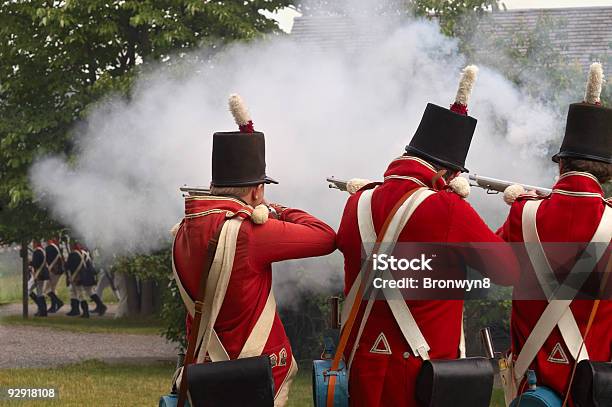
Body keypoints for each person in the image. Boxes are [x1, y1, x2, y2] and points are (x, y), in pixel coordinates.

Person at [336, 66, 520, 406]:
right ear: (448, 172)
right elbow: (507, 270)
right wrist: (518, 213)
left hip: (363, 373)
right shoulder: (447, 208)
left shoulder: (356, 203)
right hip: (424, 379)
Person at [172, 94, 336, 406]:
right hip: (254, 373)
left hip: (205, 371)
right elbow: (326, 237)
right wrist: (277, 209)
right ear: (257, 190)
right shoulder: (249, 231)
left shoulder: (183, 231)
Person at [497, 62, 611, 405]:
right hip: (596, 387)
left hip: (531, 389)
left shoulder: (523, 214)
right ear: (606, 173)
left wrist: (519, 204)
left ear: (561, 164)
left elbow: (494, 266)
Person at [29, 240, 50, 317]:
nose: (33, 245)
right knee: (39, 292)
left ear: (36, 243)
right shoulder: (41, 250)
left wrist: (29, 262)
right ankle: (42, 310)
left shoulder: (37, 251)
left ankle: (42, 310)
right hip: (41, 273)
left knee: (28, 289)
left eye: (33, 243)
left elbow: (36, 263)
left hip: (39, 274)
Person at [43, 238, 65, 313]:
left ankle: (58, 302)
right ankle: (53, 307)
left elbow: (46, 260)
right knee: (52, 289)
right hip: (58, 271)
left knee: (46, 290)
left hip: (54, 271)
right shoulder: (56, 247)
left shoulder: (49, 248)